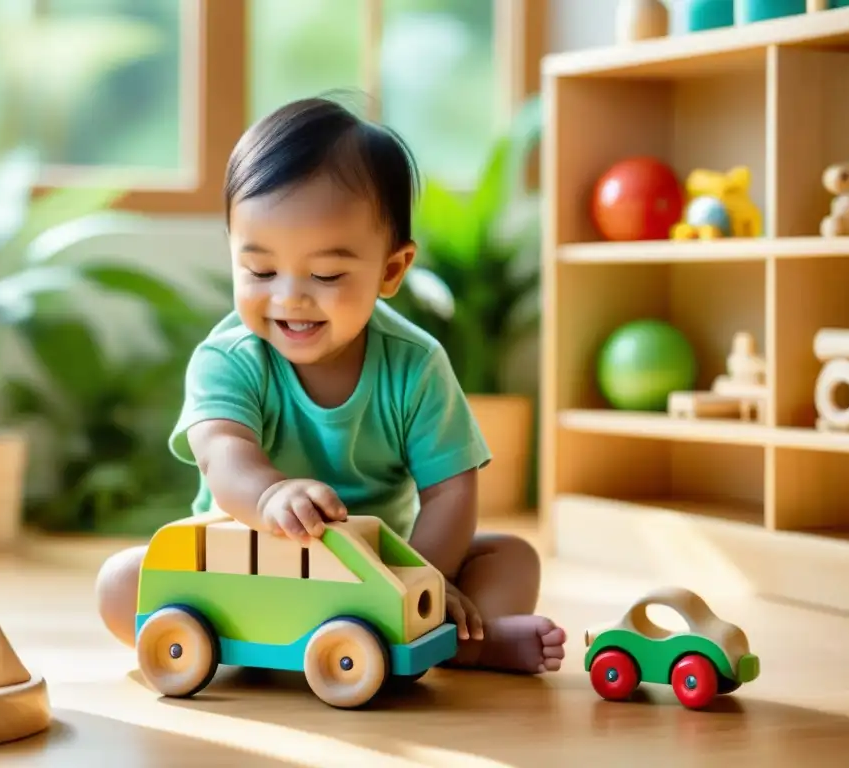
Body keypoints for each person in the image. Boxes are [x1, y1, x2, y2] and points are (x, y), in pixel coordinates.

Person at [96, 96, 566, 675]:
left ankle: (468, 638)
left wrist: (424, 578)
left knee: (512, 557)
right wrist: (270, 495)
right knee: (120, 583)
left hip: (381, 564)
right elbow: (222, 451)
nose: (290, 296)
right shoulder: (229, 359)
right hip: (250, 560)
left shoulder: (416, 365)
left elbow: (450, 490)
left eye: (325, 274)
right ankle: (253, 634)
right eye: (261, 271)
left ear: (390, 271)